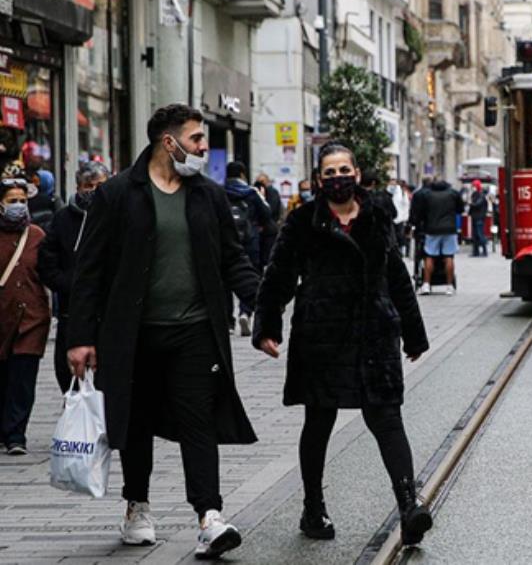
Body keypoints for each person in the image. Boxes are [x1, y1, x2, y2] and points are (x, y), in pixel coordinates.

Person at [66, 103, 260, 558]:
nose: (203, 148)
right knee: (136, 424)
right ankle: (137, 507)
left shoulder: (207, 196)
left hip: (194, 331)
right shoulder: (117, 195)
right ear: (167, 142)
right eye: (196, 140)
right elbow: (89, 271)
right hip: (132, 334)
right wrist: (79, 336)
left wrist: (261, 304)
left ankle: (209, 517)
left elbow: (233, 258)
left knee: (199, 422)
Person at [253, 142, 432, 545]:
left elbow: (397, 276)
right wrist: (267, 327)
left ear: (357, 172)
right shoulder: (303, 222)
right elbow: (278, 276)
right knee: (319, 422)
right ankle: (313, 508)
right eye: (329, 173)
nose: (338, 179)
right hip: (322, 336)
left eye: (343, 170)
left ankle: (409, 506)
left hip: (373, 335)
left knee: (386, 418)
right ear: (319, 180)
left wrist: (413, 331)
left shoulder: (377, 216)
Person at [37, 161, 110, 393]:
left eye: (101, 185)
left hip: (109, 314)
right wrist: (72, 285)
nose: (95, 190)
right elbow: (47, 264)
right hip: (72, 312)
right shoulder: (62, 219)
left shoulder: (118, 216)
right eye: (89, 185)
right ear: (78, 187)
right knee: (70, 378)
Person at [0, 176, 50, 455]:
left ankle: (16, 434)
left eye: (22, 201)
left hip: (31, 319)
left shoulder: (37, 236)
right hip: (2, 318)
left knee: (23, 379)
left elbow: (50, 271)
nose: (18, 206)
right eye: (12, 201)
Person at [225, 161, 275, 337]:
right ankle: (245, 312)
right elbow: (267, 214)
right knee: (250, 274)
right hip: (250, 240)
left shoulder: (218, 191)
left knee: (225, 279)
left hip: (226, 241)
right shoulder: (251, 192)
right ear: (242, 174)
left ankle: (228, 322)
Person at [409, 176, 464, 295]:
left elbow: (421, 213)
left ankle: (426, 284)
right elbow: (460, 209)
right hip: (449, 229)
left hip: (432, 229)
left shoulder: (427, 195)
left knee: (429, 256)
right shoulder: (453, 194)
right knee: (449, 256)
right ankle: (449, 286)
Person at [390, 179, 412, 258]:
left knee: (398, 235)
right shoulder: (402, 193)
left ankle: (400, 251)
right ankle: (402, 251)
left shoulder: (401, 193)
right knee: (402, 235)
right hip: (401, 218)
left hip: (398, 217)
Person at [468, 179, 489, 257]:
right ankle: (475, 252)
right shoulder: (474, 194)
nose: (472, 187)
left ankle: (484, 251)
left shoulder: (481, 195)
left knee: (480, 234)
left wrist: (470, 203)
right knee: (475, 235)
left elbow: (477, 204)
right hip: (475, 217)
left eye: (473, 186)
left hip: (479, 217)